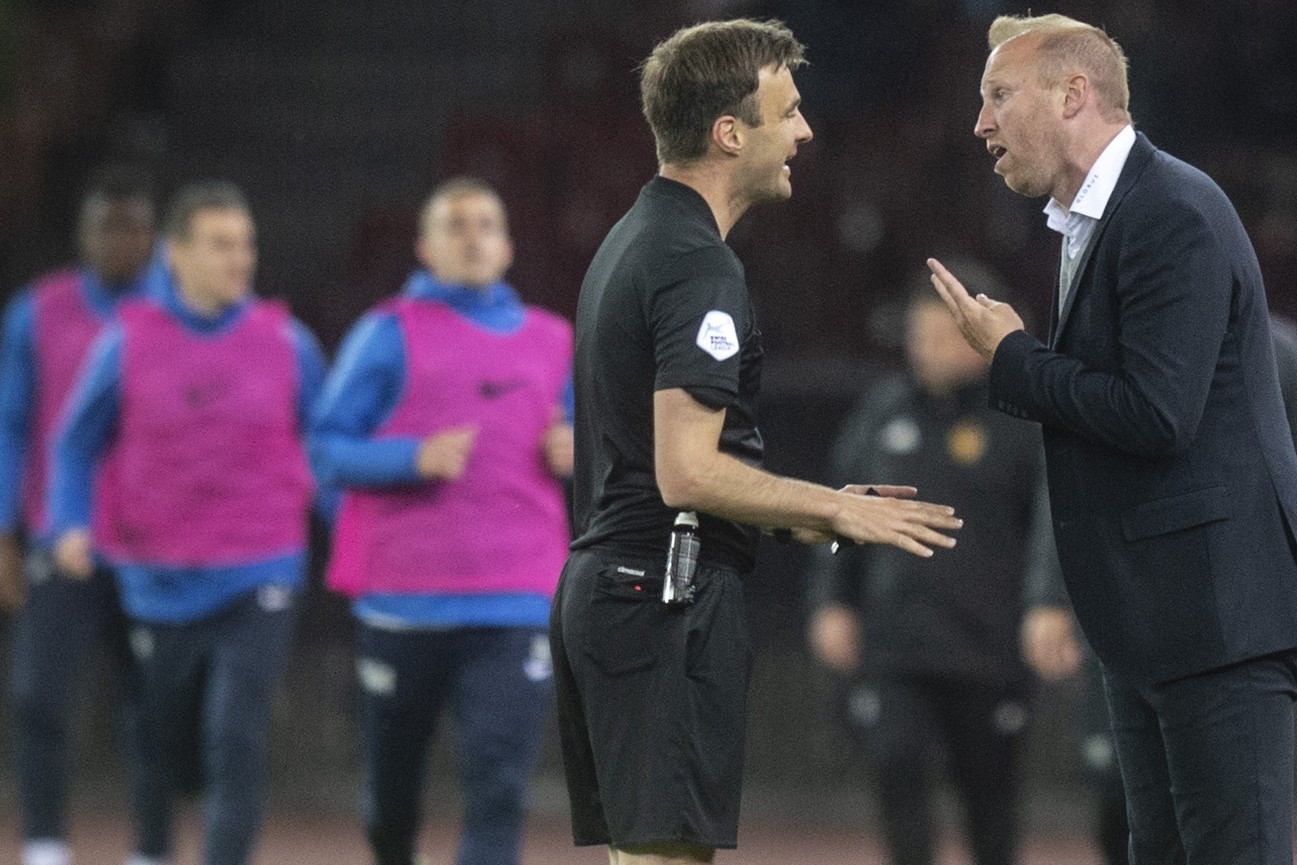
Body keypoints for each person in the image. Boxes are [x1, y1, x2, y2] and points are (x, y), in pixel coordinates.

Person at [928, 14, 1297, 865]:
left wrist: (1011, 358)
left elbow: (1159, 413)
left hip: (1218, 619)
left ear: (1074, 95)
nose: (982, 124)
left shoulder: (1171, 211)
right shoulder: (1105, 218)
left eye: (998, 96)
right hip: (1156, 618)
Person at [549, 19, 962, 865]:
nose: (806, 132)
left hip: (618, 590)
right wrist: (832, 506)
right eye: (789, 111)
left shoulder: (632, 240)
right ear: (729, 132)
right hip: (659, 600)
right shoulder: (696, 262)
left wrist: (816, 518)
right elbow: (686, 470)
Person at [48, 181, 326, 865]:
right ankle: (150, 851)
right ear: (175, 254)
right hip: (157, 579)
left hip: (261, 569)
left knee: (235, 735)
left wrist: (362, 535)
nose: (241, 258)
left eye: (247, 243)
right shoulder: (125, 342)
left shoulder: (288, 342)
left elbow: (329, 444)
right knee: (156, 739)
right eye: (221, 244)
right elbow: (75, 443)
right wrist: (68, 524)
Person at [1025, 315, 1297, 865]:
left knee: (1229, 809)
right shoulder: (1109, 344)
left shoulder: (1279, 351)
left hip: (1237, 613)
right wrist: (1049, 594)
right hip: (1126, 600)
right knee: (1124, 801)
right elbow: (1068, 474)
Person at [310, 176, 574, 865]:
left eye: (487, 224)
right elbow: (325, 448)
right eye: (455, 225)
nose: (472, 236)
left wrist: (578, 449)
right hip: (404, 601)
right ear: (425, 246)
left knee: (500, 786)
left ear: (509, 246)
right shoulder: (386, 332)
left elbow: (595, 445)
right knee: (393, 793)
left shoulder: (554, 339)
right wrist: (410, 456)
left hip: (515, 596)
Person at [806, 262, 1059, 865]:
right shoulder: (883, 412)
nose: (925, 349)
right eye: (918, 335)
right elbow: (837, 512)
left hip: (990, 653)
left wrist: (1050, 604)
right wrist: (832, 600)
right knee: (896, 779)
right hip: (897, 648)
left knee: (992, 811)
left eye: (941, 335)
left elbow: (1052, 529)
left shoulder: (1023, 421)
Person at [0, 168, 157, 865]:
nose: (122, 241)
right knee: (39, 696)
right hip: (59, 536)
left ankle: (151, 848)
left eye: (135, 227)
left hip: (152, 544)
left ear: (155, 238)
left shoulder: (177, 313)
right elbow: (9, 423)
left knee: (152, 704)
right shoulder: (38, 311)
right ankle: (43, 845)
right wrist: (3, 529)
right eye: (108, 226)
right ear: (83, 235)